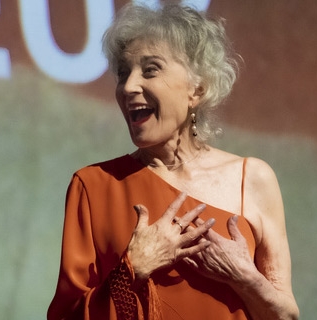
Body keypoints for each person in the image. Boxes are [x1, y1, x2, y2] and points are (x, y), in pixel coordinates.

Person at [47, 4, 299, 320]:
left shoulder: (254, 178)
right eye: (123, 73)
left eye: (150, 70)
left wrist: (245, 279)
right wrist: (133, 267)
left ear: (198, 89)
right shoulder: (93, 186)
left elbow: (286, 316)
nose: (128, 87)